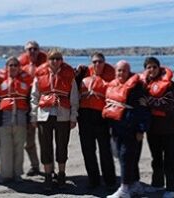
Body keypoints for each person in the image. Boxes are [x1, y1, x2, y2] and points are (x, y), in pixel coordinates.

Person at [30, 49, 78, 191]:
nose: (55, 61)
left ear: (62, 60)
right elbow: (34, 97)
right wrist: (33, 116)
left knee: (62, 145)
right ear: (48, 60)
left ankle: (62, 174)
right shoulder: (39, 74)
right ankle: (48, 176)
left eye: (58, 58)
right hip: (44, 115)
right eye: (52, 59)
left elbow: (74, 98)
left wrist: (73, 117)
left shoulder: (69, 74)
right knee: (45, 146)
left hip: (63, 115)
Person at [103, 60, 150, 198]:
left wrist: (141, 129)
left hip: (131, 128)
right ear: (115, 72)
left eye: (124, 70)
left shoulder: (137, 88)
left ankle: (124, 189)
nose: (121, 73)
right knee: (127, 156)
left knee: (125, 157)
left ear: (128, 72)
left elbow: (143, 110)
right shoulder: (113, 86)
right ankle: (135, 184)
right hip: (117, 128)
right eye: (119, 70)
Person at [0, 56, 32, 183]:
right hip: (3, 121)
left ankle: (17, 174)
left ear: (19, 68)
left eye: (15, 65)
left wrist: (31, 120)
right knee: (5, 149)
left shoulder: (26, 84)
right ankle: (6, 175)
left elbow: (30, 103)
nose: (13, 67)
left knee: (19, 149)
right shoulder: (0, 84)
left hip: (21, 121)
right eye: (10, 65)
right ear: (6, 68)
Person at [141, 57, 174, 198]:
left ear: (159, 68)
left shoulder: (169, 85)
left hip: (170, 128)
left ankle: (172, 188)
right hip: (153, 128)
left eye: (154, 67)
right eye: (148, 67)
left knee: (170, 158)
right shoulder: (144, 84)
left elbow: (167, 103)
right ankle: (157, 184)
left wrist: (149, 101)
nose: (151, 70)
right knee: (156, 158)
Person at [77, 52, 116, 189]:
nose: (97, 64)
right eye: (94, 62)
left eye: (100, 61)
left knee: (105, 151)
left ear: (104, 62)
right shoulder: (83, 73)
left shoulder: (113, 75)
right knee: (88, 151)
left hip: (102, 117)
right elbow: (72, 88)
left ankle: (110, 180)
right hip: (84, 117)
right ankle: (94, 180)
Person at [19, 41, 47, 176]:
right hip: (26, 106)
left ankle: (49, 168)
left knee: (45, 140)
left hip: (43, 105)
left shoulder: (47, 65)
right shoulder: (21, 67)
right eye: (30, 49)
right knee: (28, 141)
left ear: (39, 50)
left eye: (35, 49)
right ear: (26, 51)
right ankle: (35, 166)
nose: (32, 51)